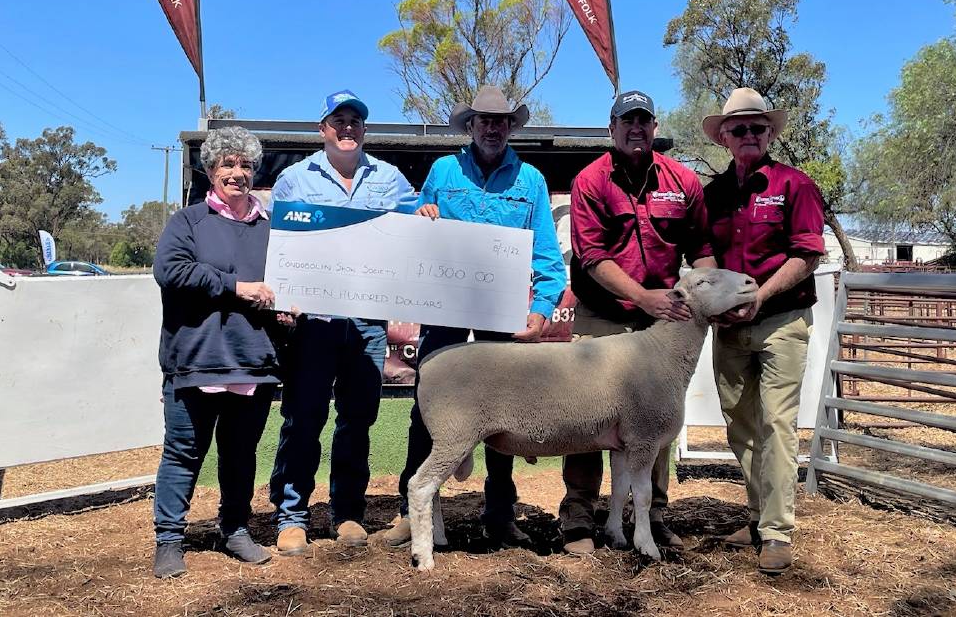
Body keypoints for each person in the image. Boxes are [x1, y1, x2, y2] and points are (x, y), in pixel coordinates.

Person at [382, 85, 566, 548]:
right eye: (483, 119)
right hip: (444, 309)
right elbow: (417, 228)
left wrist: (542, 311)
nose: (491, 127)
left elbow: (547, 255)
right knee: (428, 404)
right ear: (470, 125)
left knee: (500, 408)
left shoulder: (531, 180)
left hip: (499, 312)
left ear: (510, 126)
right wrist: (419, 210)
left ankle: (500, 514)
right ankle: (414, 509)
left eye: (500, 120)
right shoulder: (444, 171)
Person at [558, 90, 717, 556]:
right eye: (627, 120)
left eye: (644, 120)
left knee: (656, 418)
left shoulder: (683, 180)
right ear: (611, 128)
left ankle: (653, 515)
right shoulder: (590, 180)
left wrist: (702, 292)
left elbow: (701, 249)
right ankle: (579, 516)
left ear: (654, 126)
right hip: (604, 314)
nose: (636, 128)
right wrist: (641, 296)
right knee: (583, 414)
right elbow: (591, 257)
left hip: (662, 321)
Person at [268, 90, 417, 556]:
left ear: (364, 129)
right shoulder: (294, 179)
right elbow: (279, 242)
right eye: (338, 120)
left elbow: (414, 226)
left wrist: (426, 214)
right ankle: (291, 515)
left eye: (355, 120)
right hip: (313, 323)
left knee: (357, 421)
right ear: (322, 129)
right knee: (303, 417)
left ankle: (347, 512)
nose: (347, 127)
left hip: (368, 324)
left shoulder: (389, 179)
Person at [151, 126, 289, 578]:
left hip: (254, 360)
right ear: (211, 171)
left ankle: (235, 530)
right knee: (184, 452)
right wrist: (236, 288)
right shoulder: (188, 222)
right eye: (227, 165)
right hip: (196, 359)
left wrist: (287, 309)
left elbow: (283, 287)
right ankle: (169, 539)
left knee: (240, 454)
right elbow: (171, 271)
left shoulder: (272, 230)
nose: (237, 173)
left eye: (246, 165)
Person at [701, 88, 824, 575]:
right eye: (738, 129)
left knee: (777, 423)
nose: (748, 135)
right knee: (740, 423)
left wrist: (760, 297)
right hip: (730, 327)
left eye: (757, 127)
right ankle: (757, 516)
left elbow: (807, 254)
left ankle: (777, 531)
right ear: (724, 138)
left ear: (770, 133)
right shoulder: (711, 195)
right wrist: (716, 300)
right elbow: (704, 255)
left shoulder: (795, 186)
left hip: (782, 320)